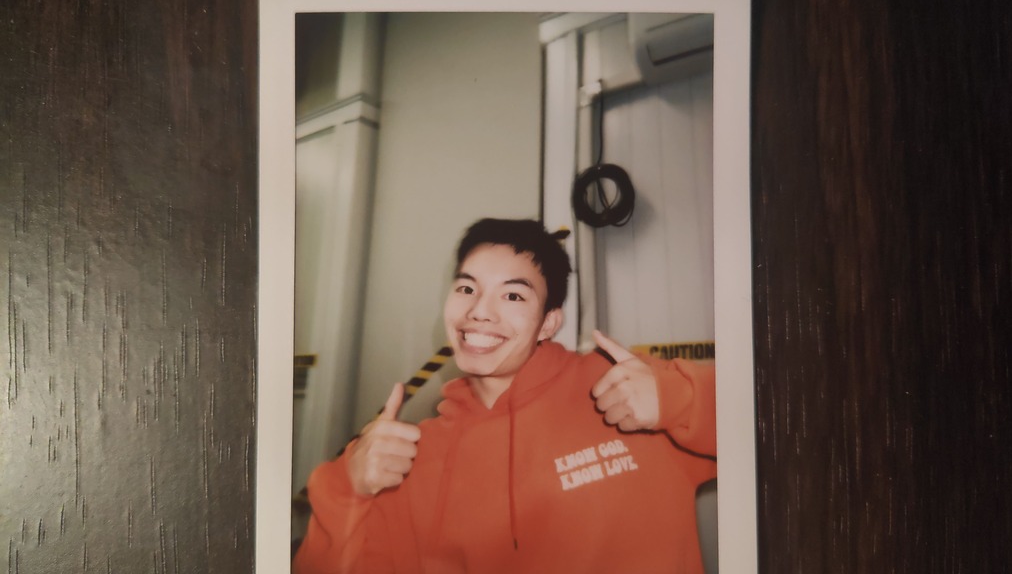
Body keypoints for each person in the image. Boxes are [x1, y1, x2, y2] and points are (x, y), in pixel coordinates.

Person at [293, 218, 716, 574]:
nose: (479, 311)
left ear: (548, 323)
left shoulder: (625, 392)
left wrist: (680, 399)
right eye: (466, 289)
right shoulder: (415, 459)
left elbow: (756, 430)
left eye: (513, 295)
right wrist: (348, 489)